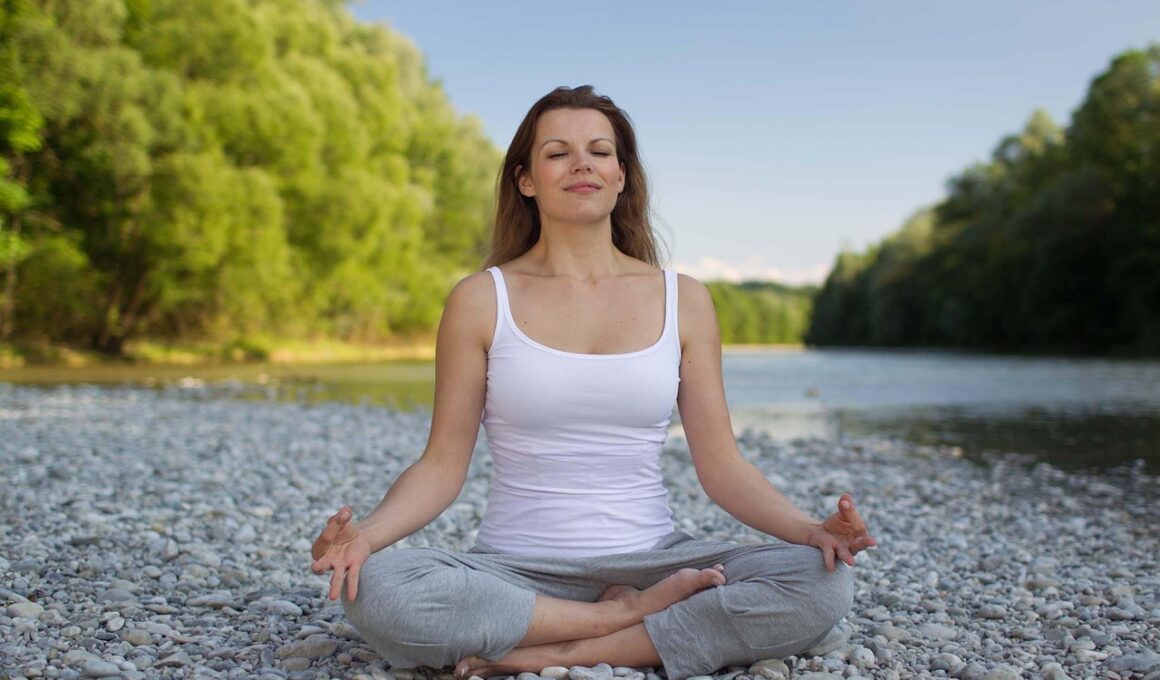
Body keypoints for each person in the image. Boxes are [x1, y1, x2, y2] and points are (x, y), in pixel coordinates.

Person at [310, 85, 877, 680]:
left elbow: (723, 467)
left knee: (821, 582)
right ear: (526, 180)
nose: (582, 164)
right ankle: (623, 621)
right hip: (517, 572)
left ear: (621, 176)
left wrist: (808, 530)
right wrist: (366, 536)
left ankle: (558, 650)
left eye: (600, 152)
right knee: (378, 587)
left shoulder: (684, 299)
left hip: (655, 563)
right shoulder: (480, 299)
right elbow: (441, 466)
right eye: (558, 153)